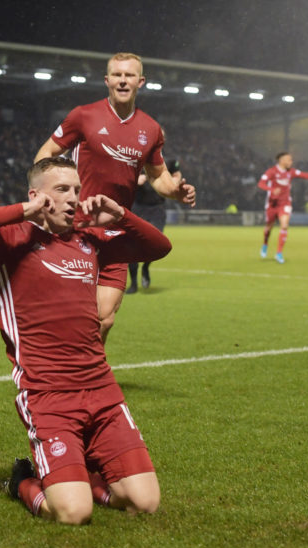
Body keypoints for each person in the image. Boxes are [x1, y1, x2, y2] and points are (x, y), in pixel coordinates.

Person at [0, 157, 170, 525]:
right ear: (37, 195)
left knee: (144, 503)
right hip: (47, 394)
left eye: (77, 190)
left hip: (102, 390)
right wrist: (24, 211)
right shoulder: (9, 241)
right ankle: (22, 482)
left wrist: (119, 216)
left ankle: (85, 478)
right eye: (62, 189)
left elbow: (159, 247)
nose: (73, 198)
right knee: (73, 513)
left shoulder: (89, 239)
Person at [34, 52, 195, 342]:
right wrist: (47, 194)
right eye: (117, 75)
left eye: (129, 75)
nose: (123, 80)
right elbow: (46, 153)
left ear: (140, 82)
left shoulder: (151, 129)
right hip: (76, 229)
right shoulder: (83, 116)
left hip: (116, 234)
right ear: (107, 80)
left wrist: (176, 192)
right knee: (68, 313)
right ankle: (60, 371)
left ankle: (86, 377)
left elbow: (158, 175)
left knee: (104, 319)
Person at [257, 152, 308, 263]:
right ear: (282, 160)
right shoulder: (271, 171)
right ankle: (265, 244)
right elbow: (261, 184)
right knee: (269, 227)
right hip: (272, 204)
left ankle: (279, 253)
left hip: (285, 203)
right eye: (289, 160)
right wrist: (272, 190)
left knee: (284, 226)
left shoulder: (291, 172)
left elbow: (305, 175)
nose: (291, 162)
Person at [126, 158, 178, 294]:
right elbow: (121, 175)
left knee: (156, 244)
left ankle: (145, 267)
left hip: (157, 209)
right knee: (133, 245)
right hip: (138, 207)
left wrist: (174, 183)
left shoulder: (168, 160)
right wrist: (135, 180)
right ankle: (133, 284)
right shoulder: (134, 156)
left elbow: (177, 174)